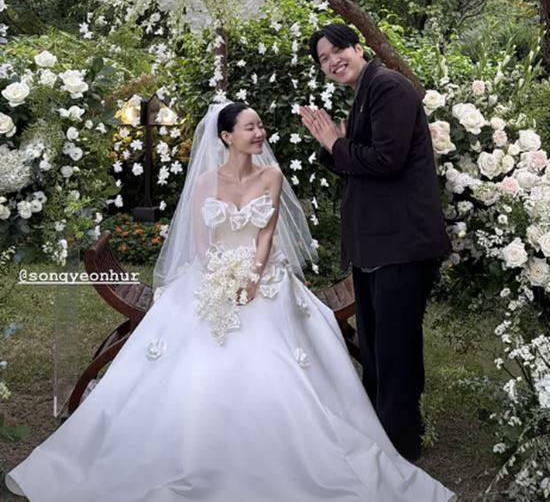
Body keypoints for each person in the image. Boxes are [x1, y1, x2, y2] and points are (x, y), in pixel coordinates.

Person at [5, 100, 455, 502]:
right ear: (226, 137)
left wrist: (253, 277)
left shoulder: (271, 175)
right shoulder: (205, 182)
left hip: (263, 274)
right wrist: (221, 278)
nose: (259, 134)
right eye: (250, 127)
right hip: (213, 273)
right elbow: (201, 244)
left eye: (260, 126)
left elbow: (266, 233)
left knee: (272, 347)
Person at [300, 23, 451, 463]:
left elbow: (386, 161)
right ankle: (383, 436)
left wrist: (337, 143)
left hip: (401, 245)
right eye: (324, 59)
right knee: (376, 348)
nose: (333, 62)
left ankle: (400, 447)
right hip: (376, 247)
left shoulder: (388, 88)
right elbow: (359, 165)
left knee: (394, 351)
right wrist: (332, 146)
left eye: (337, 51)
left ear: (358, 47)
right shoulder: (365, 93)